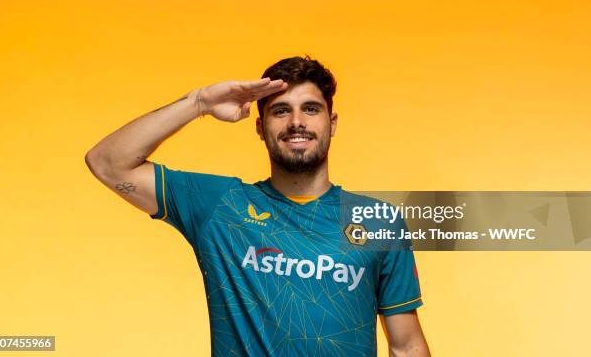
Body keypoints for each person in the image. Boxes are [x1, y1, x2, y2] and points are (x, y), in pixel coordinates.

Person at [85, 55, 430, 356]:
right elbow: (108, 163)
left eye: (311, 109)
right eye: (281, 111)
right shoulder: (220, 207)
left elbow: (407, 346)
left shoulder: (378, 220)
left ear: (332, 123)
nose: (297, 122)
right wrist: (200, 102)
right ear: (260, 128)